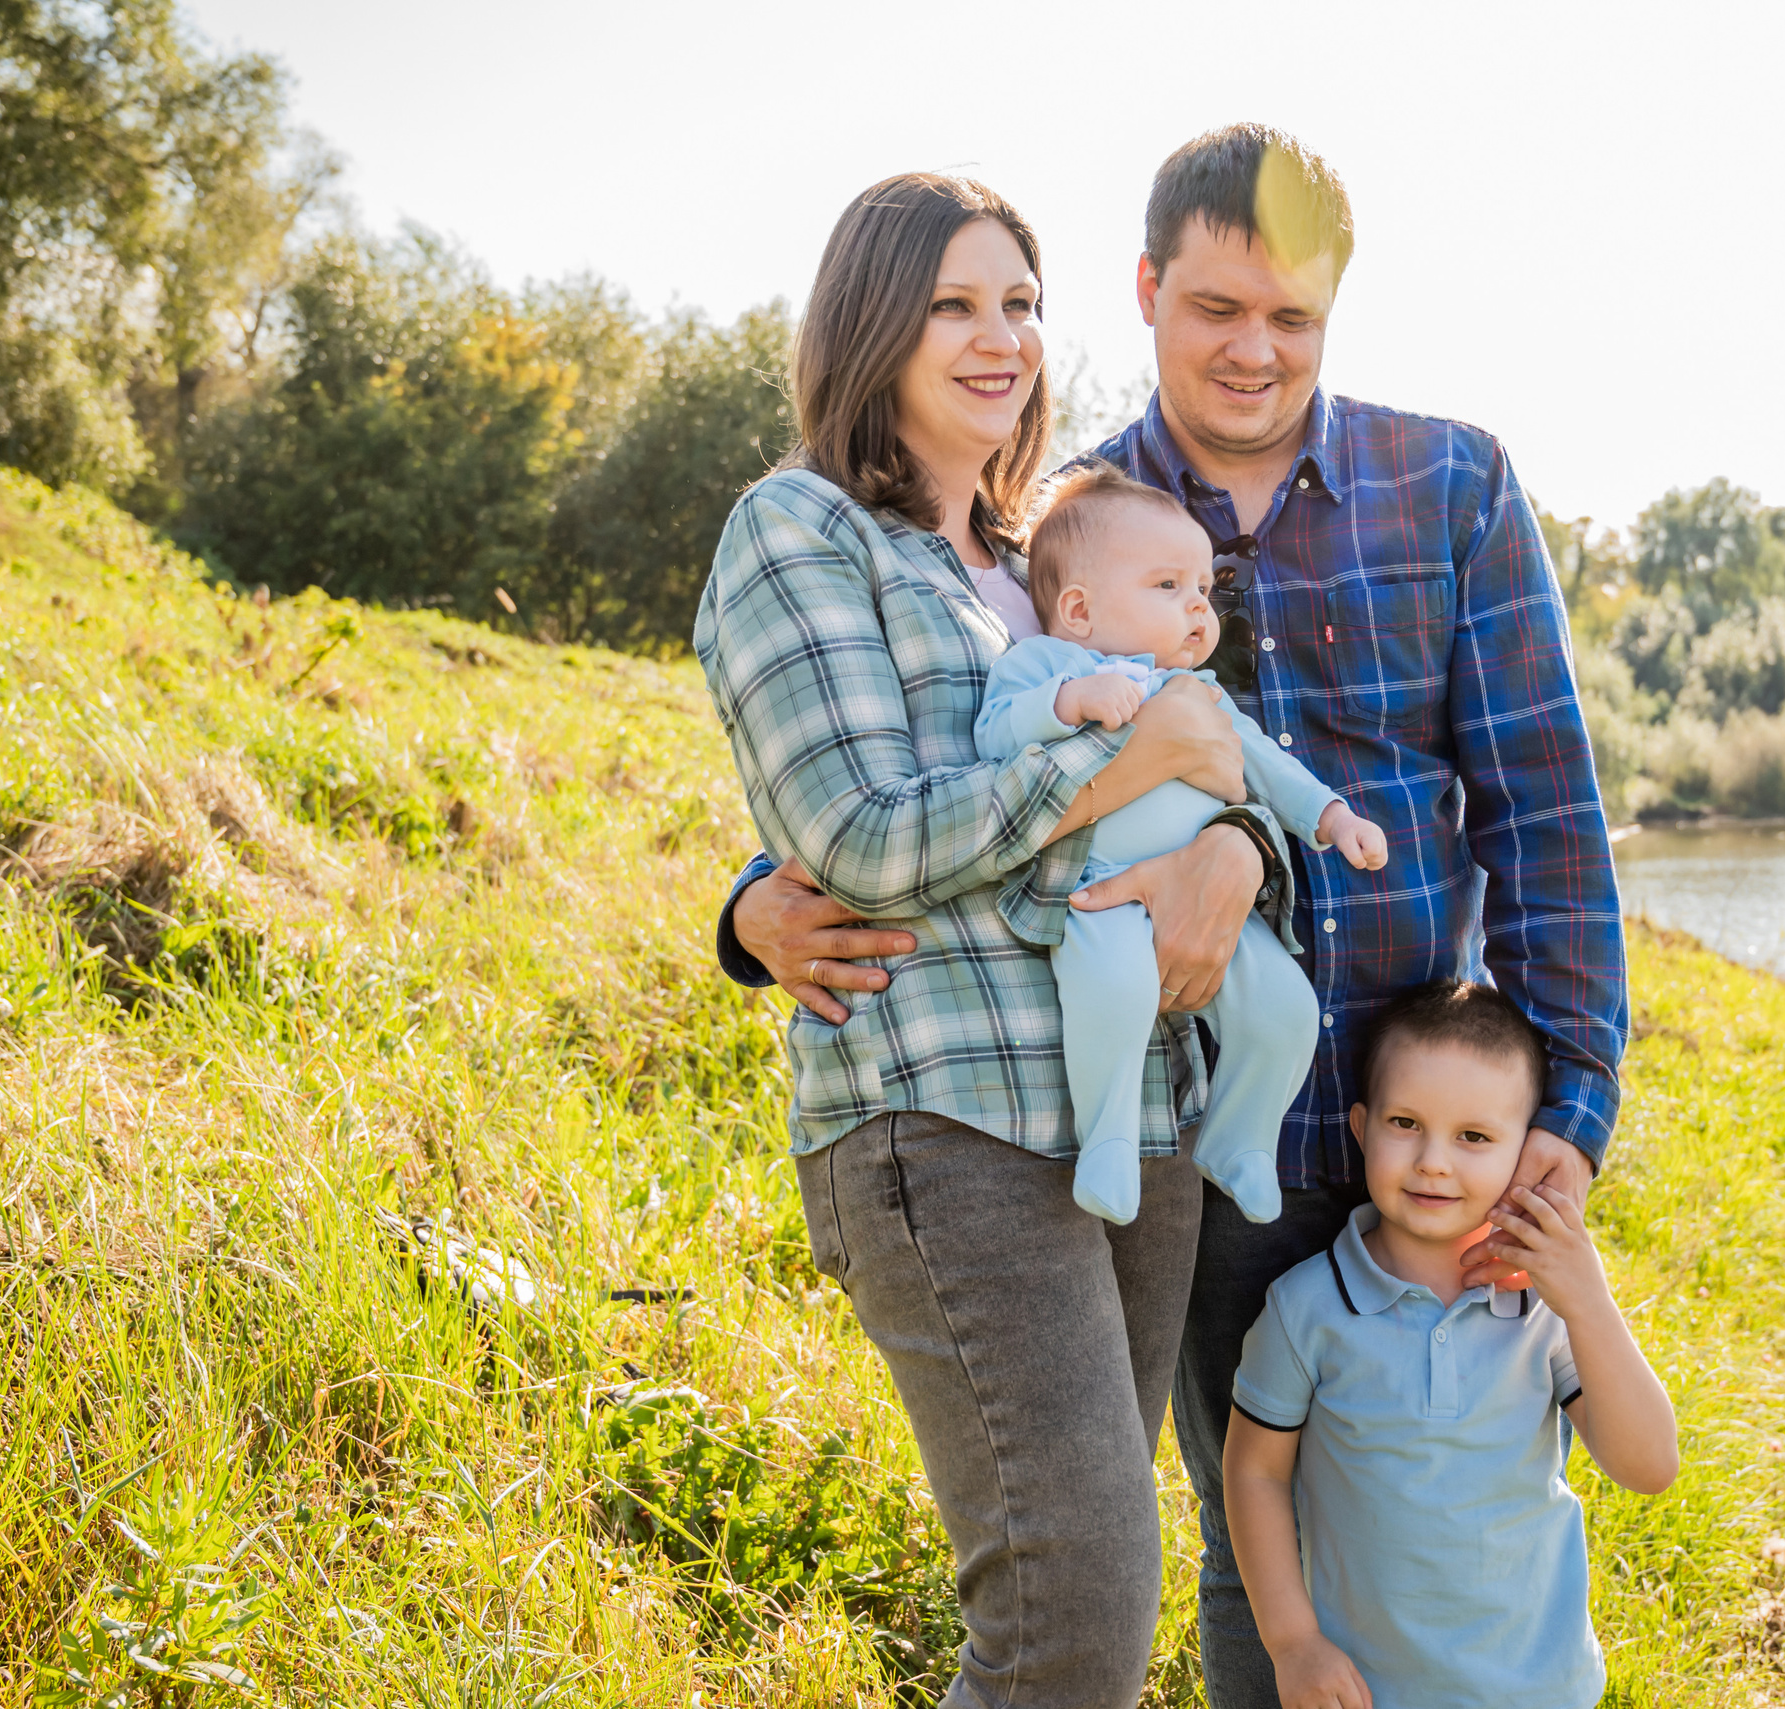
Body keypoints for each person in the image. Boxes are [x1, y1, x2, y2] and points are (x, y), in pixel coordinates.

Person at [716, 125, 1628, 1709]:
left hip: (1392, 1114)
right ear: (1149, 295)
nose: (1253, 347)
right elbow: (893, 778)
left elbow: (1538, 808)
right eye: (1215, 308)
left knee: (1425, 1514)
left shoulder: (1430, 485)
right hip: (1134, 1115)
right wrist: (749, 911)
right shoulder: (1072, 519)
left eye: (1291, 315)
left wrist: (1574, 1098)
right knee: (1185, 1547)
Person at [692, 171, 1268, 1709]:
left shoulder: (1046, 561)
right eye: (953, 302)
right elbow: (864, 830)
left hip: (1134, 1112)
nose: (998, 335)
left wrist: (1230, 835)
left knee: (1088, 1594)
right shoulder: (800, 530)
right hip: (946, 1113)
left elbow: (1205, 759)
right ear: (873, 324)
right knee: (1069, 1603)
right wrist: (1128, 766)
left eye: (1018, 301)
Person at [1221, 981, 1678, 1709]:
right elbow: (1255, 1474)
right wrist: (1293, 1642)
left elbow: (1649, 1465)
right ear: (1362, 1126)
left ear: (1527, 1148)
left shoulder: (1546, 1307)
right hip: (1369, 1692)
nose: (1434, 1160)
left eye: (1474, 1136)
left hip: (1540, 1688)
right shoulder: (1307, 1306)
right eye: (1406, 1122)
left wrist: (1587, 1299)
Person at [974, 465, 1387, 1224]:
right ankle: (1107, 1140)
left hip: (1209, 899)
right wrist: (1069, 703)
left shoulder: (1203, 694)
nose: (1199, 604)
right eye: (1168, 586)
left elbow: (1271, 769)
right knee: (1117, 993)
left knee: (1289, 1008)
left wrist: (1333, 819)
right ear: (1078, 608)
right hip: (1102, 889)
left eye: (1204, 587)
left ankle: (1240, 1138)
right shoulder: (1049, 664)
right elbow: (993, 729)